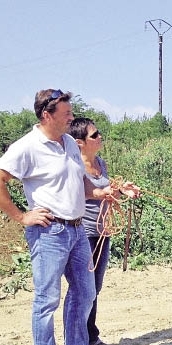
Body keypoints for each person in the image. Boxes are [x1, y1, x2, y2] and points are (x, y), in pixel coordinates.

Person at [0, 89, 140, 345]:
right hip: (49, 232)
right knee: (47, 300)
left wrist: (105, 191)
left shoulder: (69, 145)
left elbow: (82, 184)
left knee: (86, 293)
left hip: (77, 233)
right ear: (46, 115)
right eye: (66, 114)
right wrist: (21, 216)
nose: (70, 118)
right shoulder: (27, 147)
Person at [68, 117, 138, 345]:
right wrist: (105, 192)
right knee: (83, 289)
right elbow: (80, 193)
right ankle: (82, 338)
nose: (100, 137)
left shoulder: (101, 163)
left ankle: (89, 336)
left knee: (95, 287)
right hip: (85, 233)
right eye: (94, 135)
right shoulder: (74, 166)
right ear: (80, 142)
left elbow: (108, 192)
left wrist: (122, 190)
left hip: (103, 231)